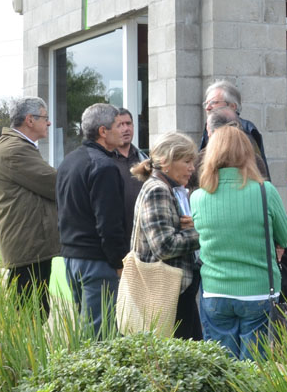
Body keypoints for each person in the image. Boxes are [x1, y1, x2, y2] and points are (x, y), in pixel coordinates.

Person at [192, 125, 287, 360]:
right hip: (258, 290)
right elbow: (285, 235)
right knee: (256, 368)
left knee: (222, 367)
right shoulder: (264, 191)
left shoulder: (198, 197)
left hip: (215, 290)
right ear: (247, 153)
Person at [57, 103, 127, 337]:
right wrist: (118, 262)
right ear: (103, 131)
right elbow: (109, 223)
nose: (124, 130)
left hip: (71, 259)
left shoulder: (69, 161)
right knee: (101, 336)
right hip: (97, 262)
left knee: (86, 331)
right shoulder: (104, 166)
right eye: (118, 125)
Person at [0, 97, 59, 320]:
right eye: (45, 118)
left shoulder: (19, 146)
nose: (48, 123)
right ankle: (24, 356)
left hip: (31, 245)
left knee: (35, 312)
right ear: (30, 120)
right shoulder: (15, 150)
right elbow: (55, 184)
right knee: (31, 315)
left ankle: (29, 354)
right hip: (28, 248)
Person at [129, 132, 202, 340]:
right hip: (168, 293)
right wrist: (203, 233)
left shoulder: (168, 188)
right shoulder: (158, 190)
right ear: (165, 161)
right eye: (186, 161)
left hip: (174, 291)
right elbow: (164, 246)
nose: (192, 168)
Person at [199, 80, 269, 178]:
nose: (208, 107)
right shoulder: (208, 129)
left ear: (232, 106)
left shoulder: (245, 130)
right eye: (206, 103)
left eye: (213, 102)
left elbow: (256, 170)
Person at [112, 107, 147, 250]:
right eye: (120, 125)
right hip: (117, 237)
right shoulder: (106, 160)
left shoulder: (144, 159)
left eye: (128, 123)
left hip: (143, 236)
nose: (125, 129)